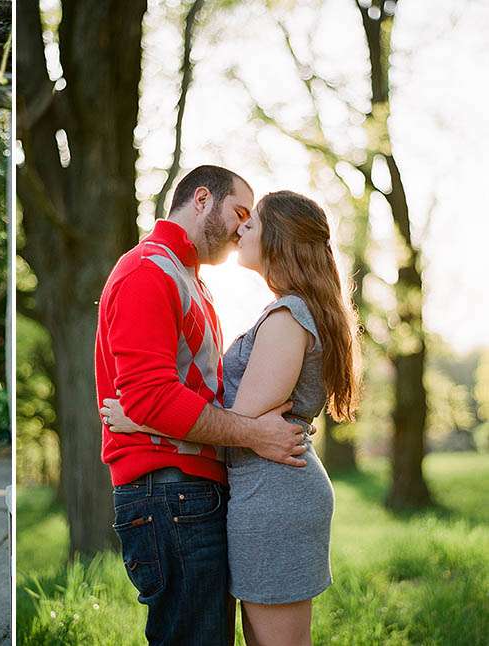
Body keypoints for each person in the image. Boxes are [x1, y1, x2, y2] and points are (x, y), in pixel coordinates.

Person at [104, 190, 361, 646]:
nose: (242, 229)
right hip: (264, 489)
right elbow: (248, 424)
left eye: (253, 221)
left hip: (274, 495)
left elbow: (241, 425)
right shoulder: (288, 311)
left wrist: (143, 417)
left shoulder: (287, 316)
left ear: (278, 238)